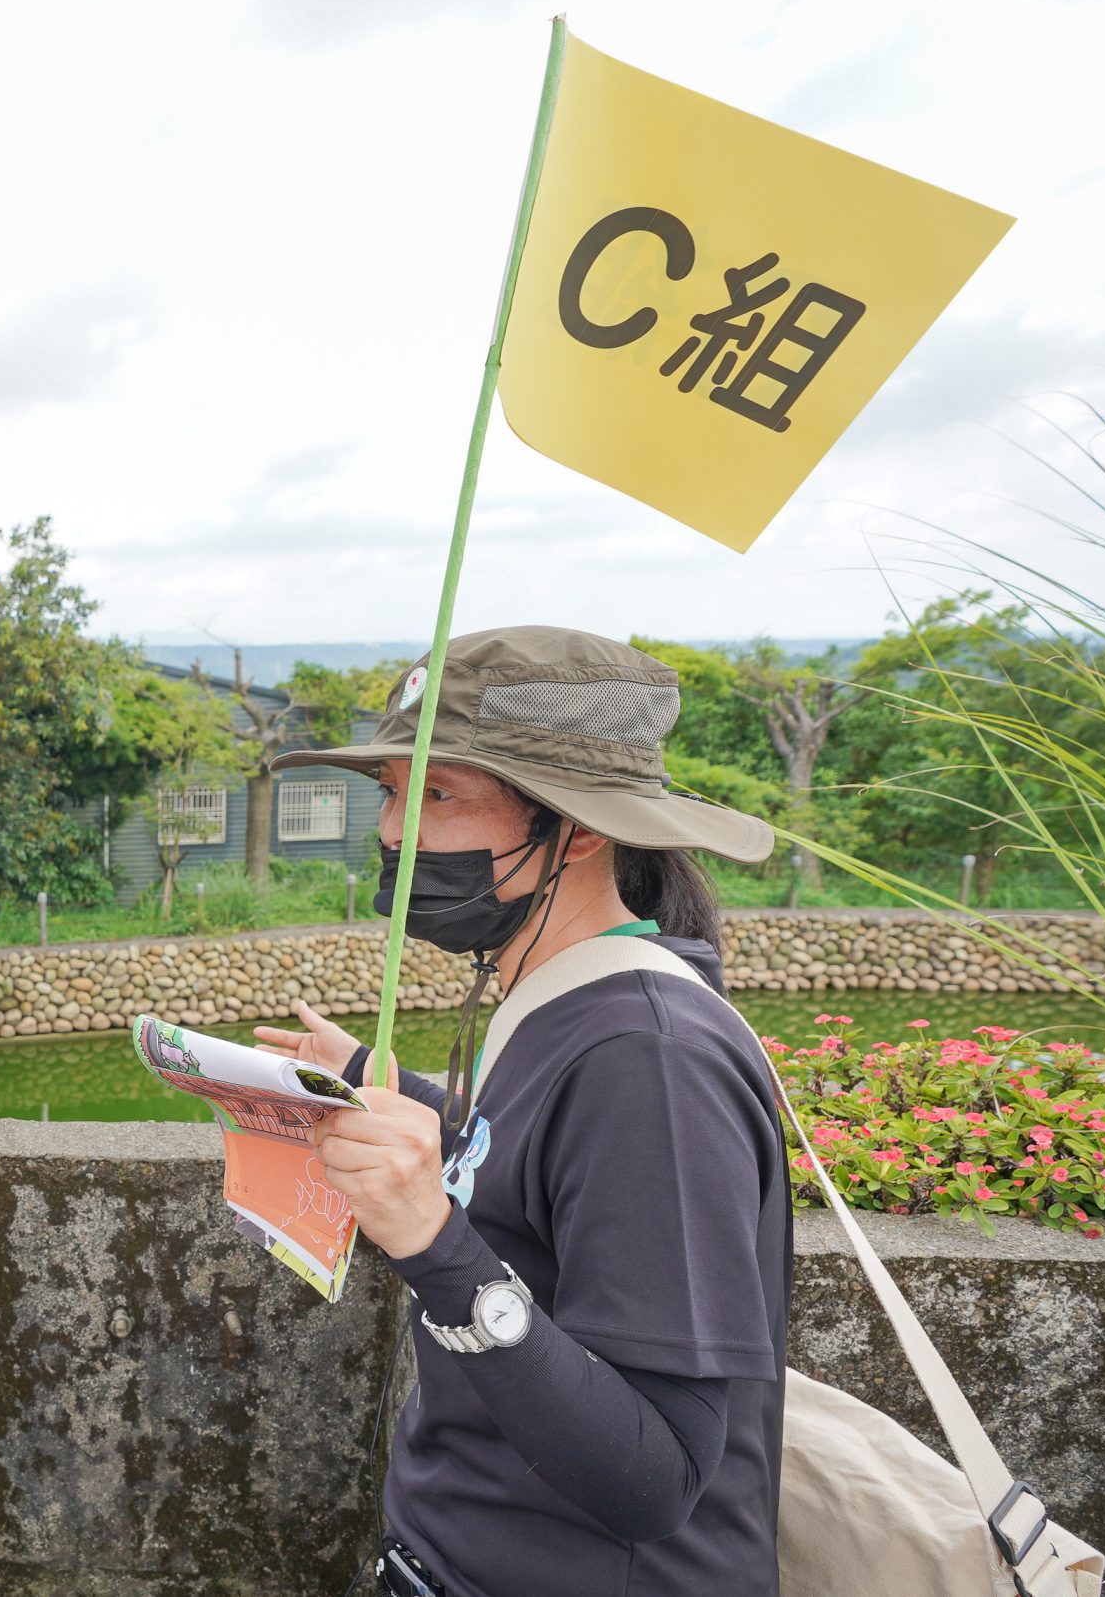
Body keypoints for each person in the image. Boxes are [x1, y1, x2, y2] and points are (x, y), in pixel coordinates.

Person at [256, 627, 789, 1597]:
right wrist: (381, 1079)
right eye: (387, 790)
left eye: (435, 794)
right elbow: (527, 1166)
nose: (390, 828)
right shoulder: (563, 1004)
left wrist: (431, 1240)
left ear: (577, 828)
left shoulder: (649, 1059)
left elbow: (656, 1475)